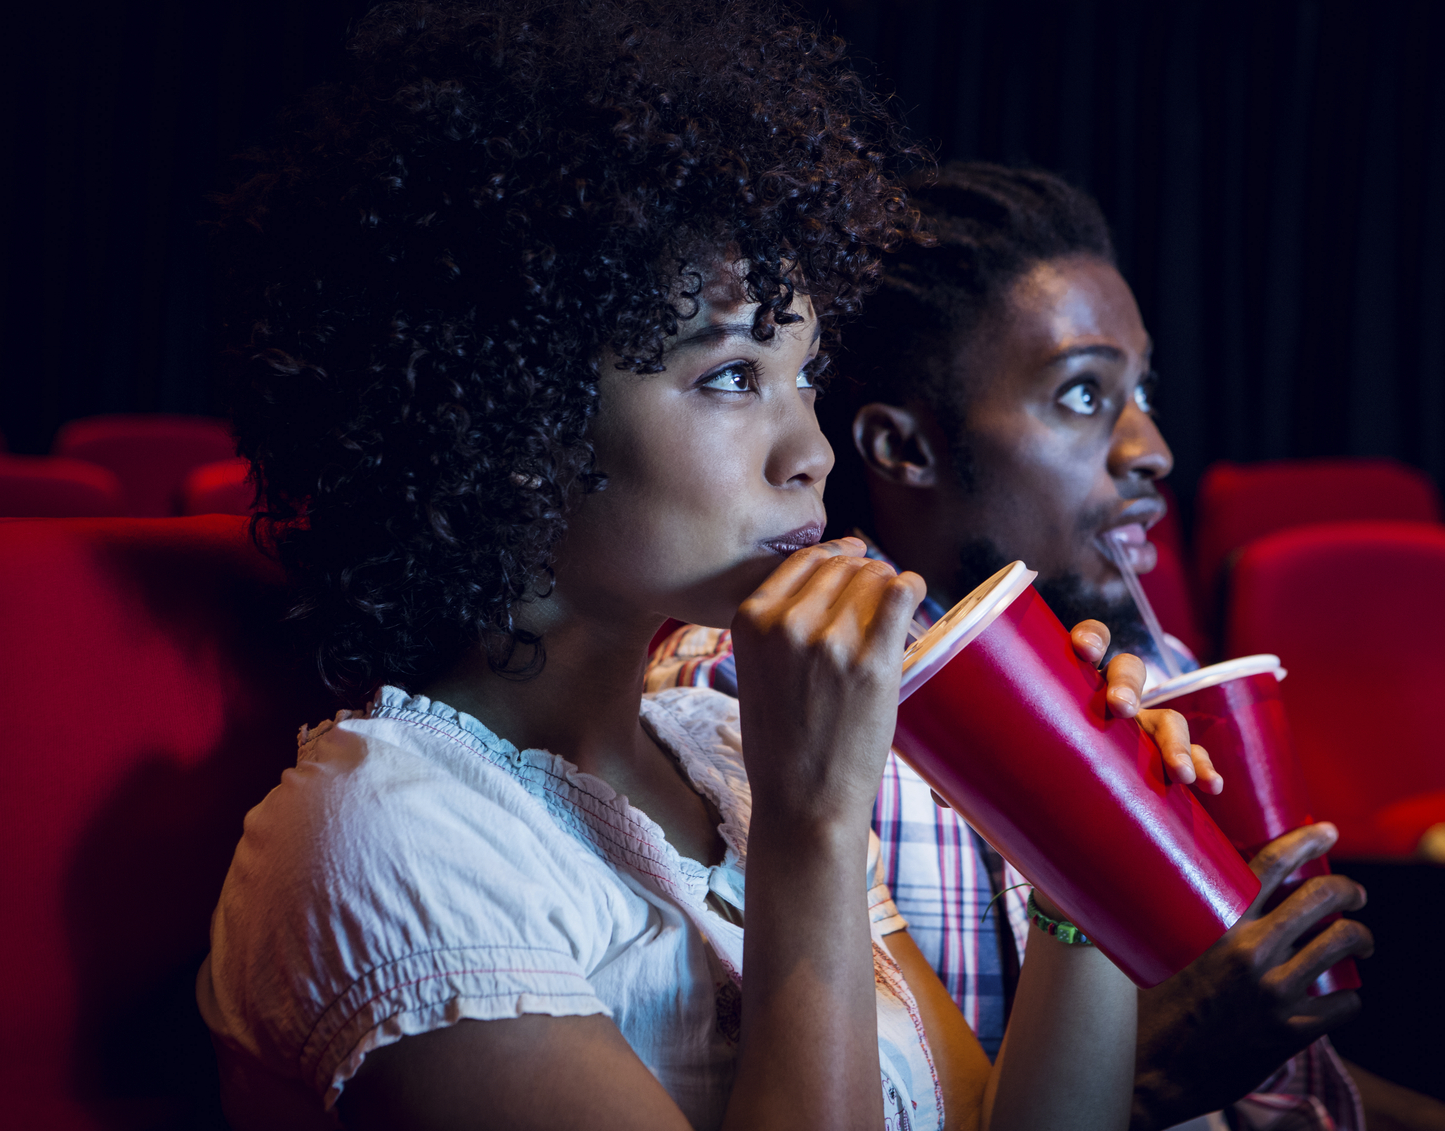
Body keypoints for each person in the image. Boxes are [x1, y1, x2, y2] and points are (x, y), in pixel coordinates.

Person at [195, 9, 1225, 1131]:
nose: (811, 454)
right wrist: (810, 828)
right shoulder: (388, 836)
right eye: (733, 376)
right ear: (512, 414)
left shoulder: (719, 752)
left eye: (803, 378)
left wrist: (1074, 868)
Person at [648, 164, 1445, 1131]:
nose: (1149, 447)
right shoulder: (759, 697)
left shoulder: (1149, 670)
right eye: (1081, 396)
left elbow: (1290, 1089)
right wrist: (1164, 1057)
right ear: (905, 449)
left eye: (1142, 391)